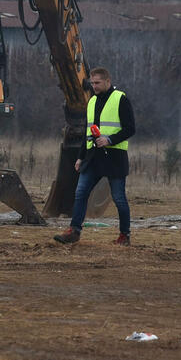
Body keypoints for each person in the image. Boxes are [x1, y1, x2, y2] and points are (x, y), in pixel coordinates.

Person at [55, 67, 136, 246]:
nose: (94, 86)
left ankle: (124, 236)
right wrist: (80, 157)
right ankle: (74, 231)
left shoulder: (121, 99)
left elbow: (131, 128)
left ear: (108, 81)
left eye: (97, 83)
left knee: (119, 198)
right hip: (92, 157)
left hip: (115, 158)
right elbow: (87, 132)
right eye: (92, 83)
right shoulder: (91, 101)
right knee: (81, 192)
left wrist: (109, 140)